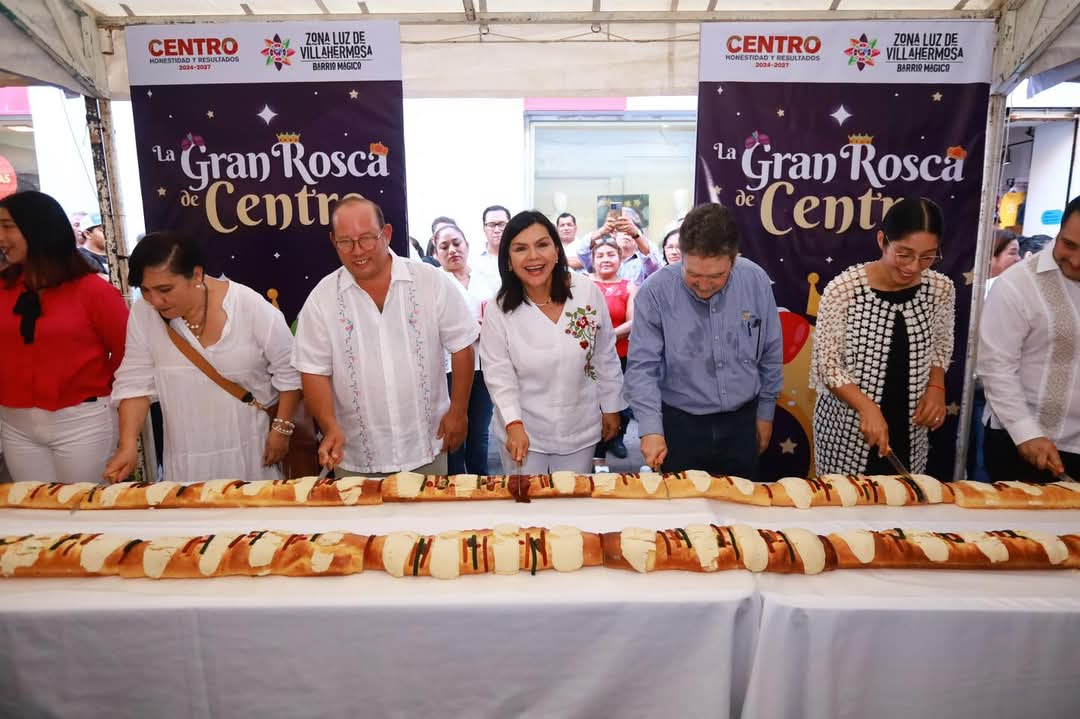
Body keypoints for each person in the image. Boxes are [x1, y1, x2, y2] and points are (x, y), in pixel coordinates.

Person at [293, 197, 478, 477]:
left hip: (426, 445)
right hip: (354, 454)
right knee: (358, 523)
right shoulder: (322, 298)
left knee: (429, 521)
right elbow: (313, 370)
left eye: (367, 238)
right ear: (333, 241)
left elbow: (462, 345)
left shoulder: (431, 281)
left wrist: (459, 410)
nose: (357, 251)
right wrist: (329, 427)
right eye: (346, 242)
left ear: (387, 233)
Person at [104, 232, 301, 483]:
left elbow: (290, 371)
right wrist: (128, 444)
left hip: (250, 452)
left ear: (196, 275)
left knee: (251, 520)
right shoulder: (145, 313)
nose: (155, 300)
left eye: (165, 289)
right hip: (186, 459)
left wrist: (282, 429)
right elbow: (134, 382)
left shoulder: (249, 307)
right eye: (145, 290)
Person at [626, 203, 782, 480]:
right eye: (694, 275)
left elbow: (770, 351)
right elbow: (642, 369)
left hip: (743, 422)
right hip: (680, 425)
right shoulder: (655, 293)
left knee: (740, 511)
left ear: (734, 260)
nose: (705, 285)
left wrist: (766, 412)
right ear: (681, 255)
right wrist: (650, 429)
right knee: (683, 517)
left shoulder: (755, 280)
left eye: (717, 276)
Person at [811, 197, 955, 476]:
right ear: (882, 240)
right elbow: (827, 366)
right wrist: (867, 407)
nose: (914, 266)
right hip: (847, 432)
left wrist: (937, 387)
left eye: (927, 256)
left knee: (903, 505)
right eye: (904, 253)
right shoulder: (844, 290)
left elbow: (941, 345)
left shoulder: (941, 289)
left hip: (910, 428)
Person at [480, 210, 625, 474]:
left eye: (542, 245)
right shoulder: (498, 309)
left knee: (570, 505)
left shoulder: (586, 293)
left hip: (579, 427)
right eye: (521, 248)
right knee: (527, 508)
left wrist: (612, 407)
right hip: (522, 430)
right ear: (509, 261)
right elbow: (499, 375)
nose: (533, 257)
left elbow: (605, 354)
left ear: (557, 251)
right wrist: (513, 424)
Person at [0, 191, 128, 484]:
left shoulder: (93, 291)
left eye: (8, 225)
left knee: (84, 513)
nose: (1, 235)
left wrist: (94, 391)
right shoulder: (3, 289)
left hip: (82, 421)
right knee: (36, 513)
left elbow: (127, 354)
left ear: (38, 228)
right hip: (15, 422)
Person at [978, 196, 1080, 482]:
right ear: (1059, 232)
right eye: (1069, 245)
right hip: (1023, 443)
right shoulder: (1018, 284)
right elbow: (996, 367)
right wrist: (1026, 432)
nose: (1075, 260)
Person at [432, 223, 499, 475]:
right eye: (444, 246)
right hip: (449, 367)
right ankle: (456, 484)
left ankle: (482, 481)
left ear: (467, 245)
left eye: (456, 243)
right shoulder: (435, 281)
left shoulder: (486, 279)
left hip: (484, 363)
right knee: (454, 427)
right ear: (437, 252)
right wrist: (470, 329)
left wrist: (488, 327)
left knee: (480, 429)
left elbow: (501, 315)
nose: (452, 250)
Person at [967, 228, 1023, 481]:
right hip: (983, 391)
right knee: (980, 465)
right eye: (1012, 253)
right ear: (992, 256)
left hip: (997, 397)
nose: (1018, 259)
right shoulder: (995, 290)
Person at [589, 235, 637, 460]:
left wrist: (608, 336)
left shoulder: (629, 286)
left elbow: (633, 321)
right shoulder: (584, 284)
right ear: (592, 260)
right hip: (589, 357)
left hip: (621, 354)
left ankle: (616, 438)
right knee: (593, 404)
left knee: (620, 403)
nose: (605, 259)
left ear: (619, 258)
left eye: (610, 255)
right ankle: (596, 449)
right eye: (599, 256)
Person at [576, 207, 659, 286]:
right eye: (622, 230)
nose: (627, 233)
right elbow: (582, 251)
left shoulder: (643, 261)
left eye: (629, 230)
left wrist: (636, 234)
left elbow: (654, 266)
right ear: (613, 234)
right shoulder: (603, 257)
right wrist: (602, 231)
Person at [474, 205, 510, 280]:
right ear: (484, 228)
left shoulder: (518, 254)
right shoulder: (473, 258)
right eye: (491, 225)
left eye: (502, 224)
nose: (497, 230)